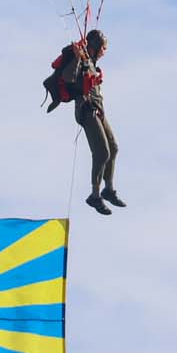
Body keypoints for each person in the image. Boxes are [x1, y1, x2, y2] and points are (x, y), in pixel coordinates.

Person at [44, 29, 122, 214]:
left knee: (114, 147)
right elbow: (68, 78)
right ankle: (94, 196)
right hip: (86, 111)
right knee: (102, 152)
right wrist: (78, 58)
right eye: (103, 47)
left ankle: (108, 189)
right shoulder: (80, 61)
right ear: (95, 47)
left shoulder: (93, 64)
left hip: (99, 111)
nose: (105, 51)